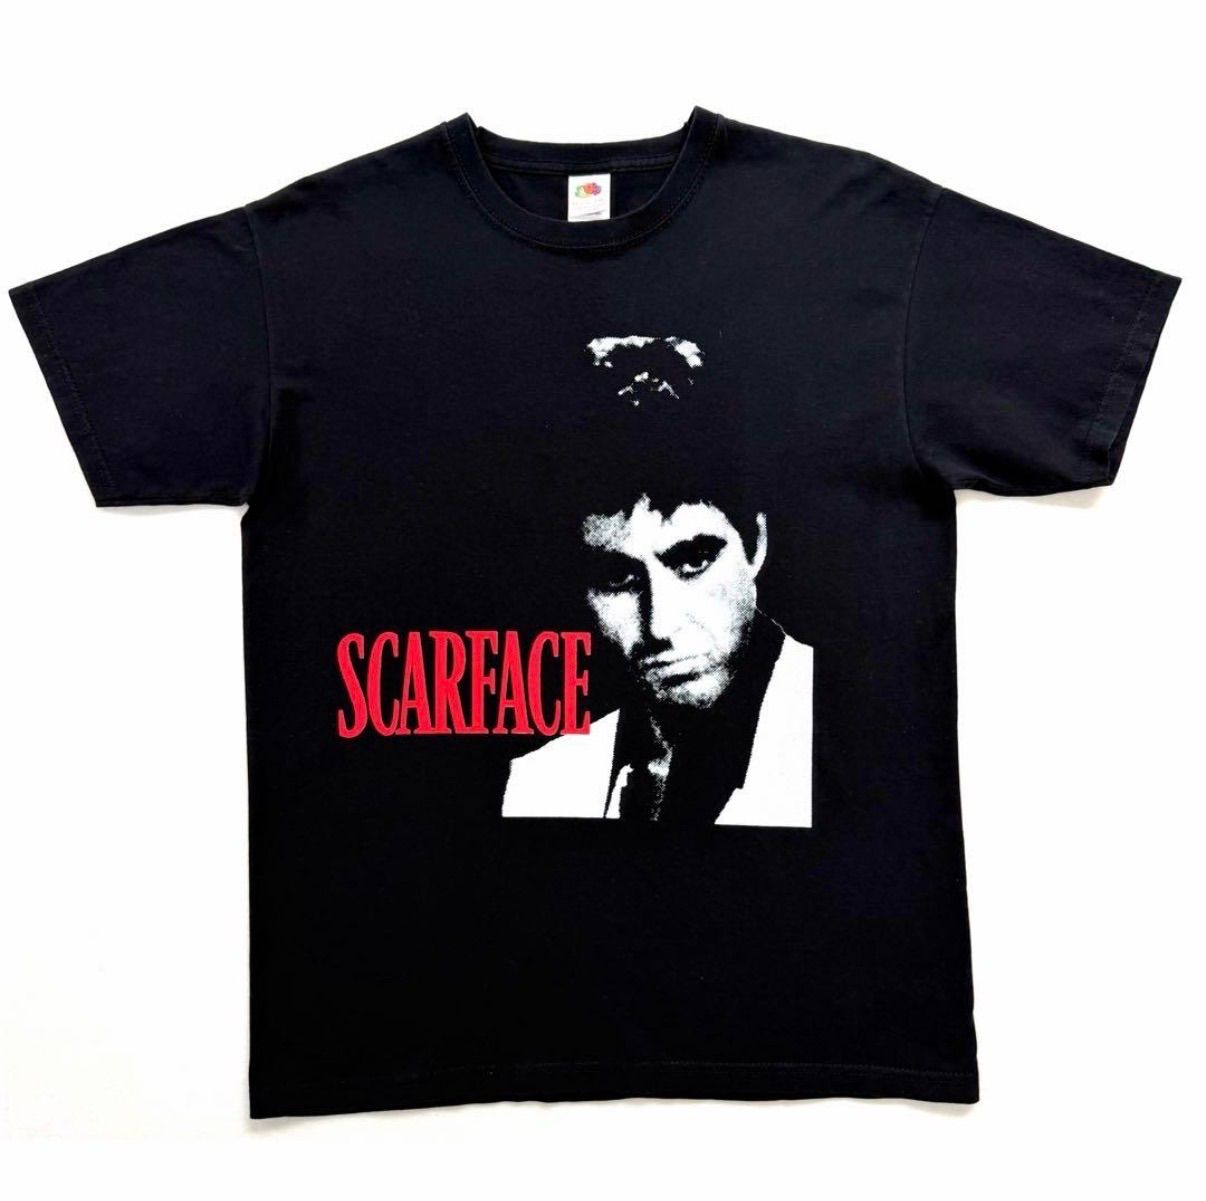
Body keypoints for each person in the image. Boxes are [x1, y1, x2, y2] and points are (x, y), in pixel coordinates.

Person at [502, 335, 813, 827]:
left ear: (754, 546)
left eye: (693, 561)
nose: (660, 625)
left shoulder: (866, 724)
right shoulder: (540, 782)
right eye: (618, 577)